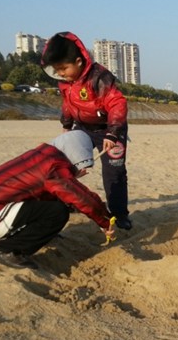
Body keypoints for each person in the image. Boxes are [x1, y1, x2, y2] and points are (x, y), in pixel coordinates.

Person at [0, 130, 115, 269]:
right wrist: (105, 221)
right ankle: (8, 250)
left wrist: (70, 175)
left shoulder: (41, 155)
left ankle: (41, 234)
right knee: (58, 213)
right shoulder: (53, 168)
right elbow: (82, 198)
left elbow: (48, 189)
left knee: (55, 200)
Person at [40, 31, 132, 230]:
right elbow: (68, 104)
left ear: (79, 61)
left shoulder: (99, 77)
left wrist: (113, 133)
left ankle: (119, 214)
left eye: (64, 68)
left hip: (110, 129)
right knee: (68, 165)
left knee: (114, 172)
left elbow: (117, 103)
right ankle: (69, 201)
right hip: (82, 128)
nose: (60, 73)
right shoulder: (65, 82)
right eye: (57, 70)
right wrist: (66, 126)